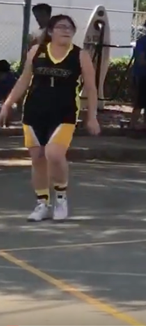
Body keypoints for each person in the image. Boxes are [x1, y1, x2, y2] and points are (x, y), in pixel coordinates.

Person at [0, 14, 102, 221]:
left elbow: (91, 88)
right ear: (50, 31)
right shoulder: (36, 52)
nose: (66, 30)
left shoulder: (80, 55)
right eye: (61, 27)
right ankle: (42, 203)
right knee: (37, 158)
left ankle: (61, 198)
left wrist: (92, 116)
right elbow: (24, 80)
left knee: (54, 154)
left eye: (69, 28)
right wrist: (8, 103)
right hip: (34, 110)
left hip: (64, 111)